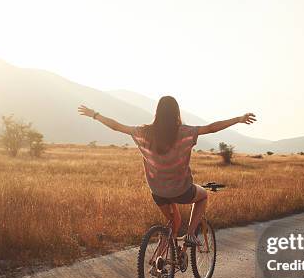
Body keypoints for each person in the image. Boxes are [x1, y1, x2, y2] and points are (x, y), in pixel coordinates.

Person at [78, 96, 256, 245]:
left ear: (157, 113)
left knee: (173, 222)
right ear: (176, 113)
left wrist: (95, 114)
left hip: (157, 192)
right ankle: (191, 235)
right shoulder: (185, 132)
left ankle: (160, 260)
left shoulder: (144, 132)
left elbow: (116, 126)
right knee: (203, 196)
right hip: (181, 191)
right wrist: (238, 119)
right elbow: (211, 128)